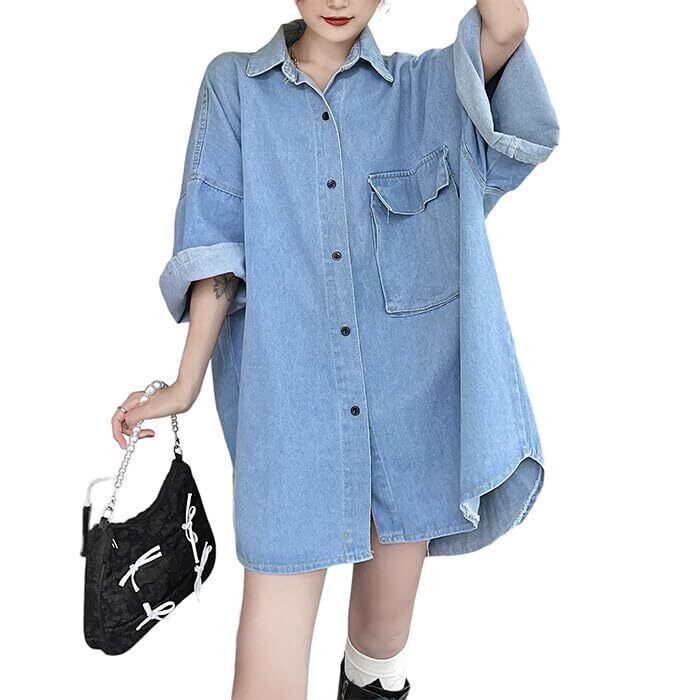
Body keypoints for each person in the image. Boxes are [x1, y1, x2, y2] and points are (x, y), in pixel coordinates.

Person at [111, 1, 558, 698]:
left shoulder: (425, 89)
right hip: (290, 416)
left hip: (410, 418)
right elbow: (215, 248)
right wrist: (185, 384)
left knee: (379, 647)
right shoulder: (234, 87)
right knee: (266, 676)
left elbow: (506, 27)